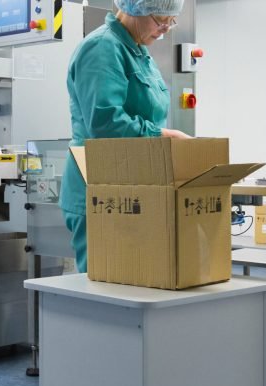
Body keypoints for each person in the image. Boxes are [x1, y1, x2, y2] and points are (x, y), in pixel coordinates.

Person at [59, 0, 191, 273]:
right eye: (160, 19)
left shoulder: (139, 51)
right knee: (106, 286)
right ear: (134, 7)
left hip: (132, 185)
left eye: (171, 20)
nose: (166, 28)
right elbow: (105, 122)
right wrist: (164, 136)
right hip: (99, 188)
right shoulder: (102, 48)